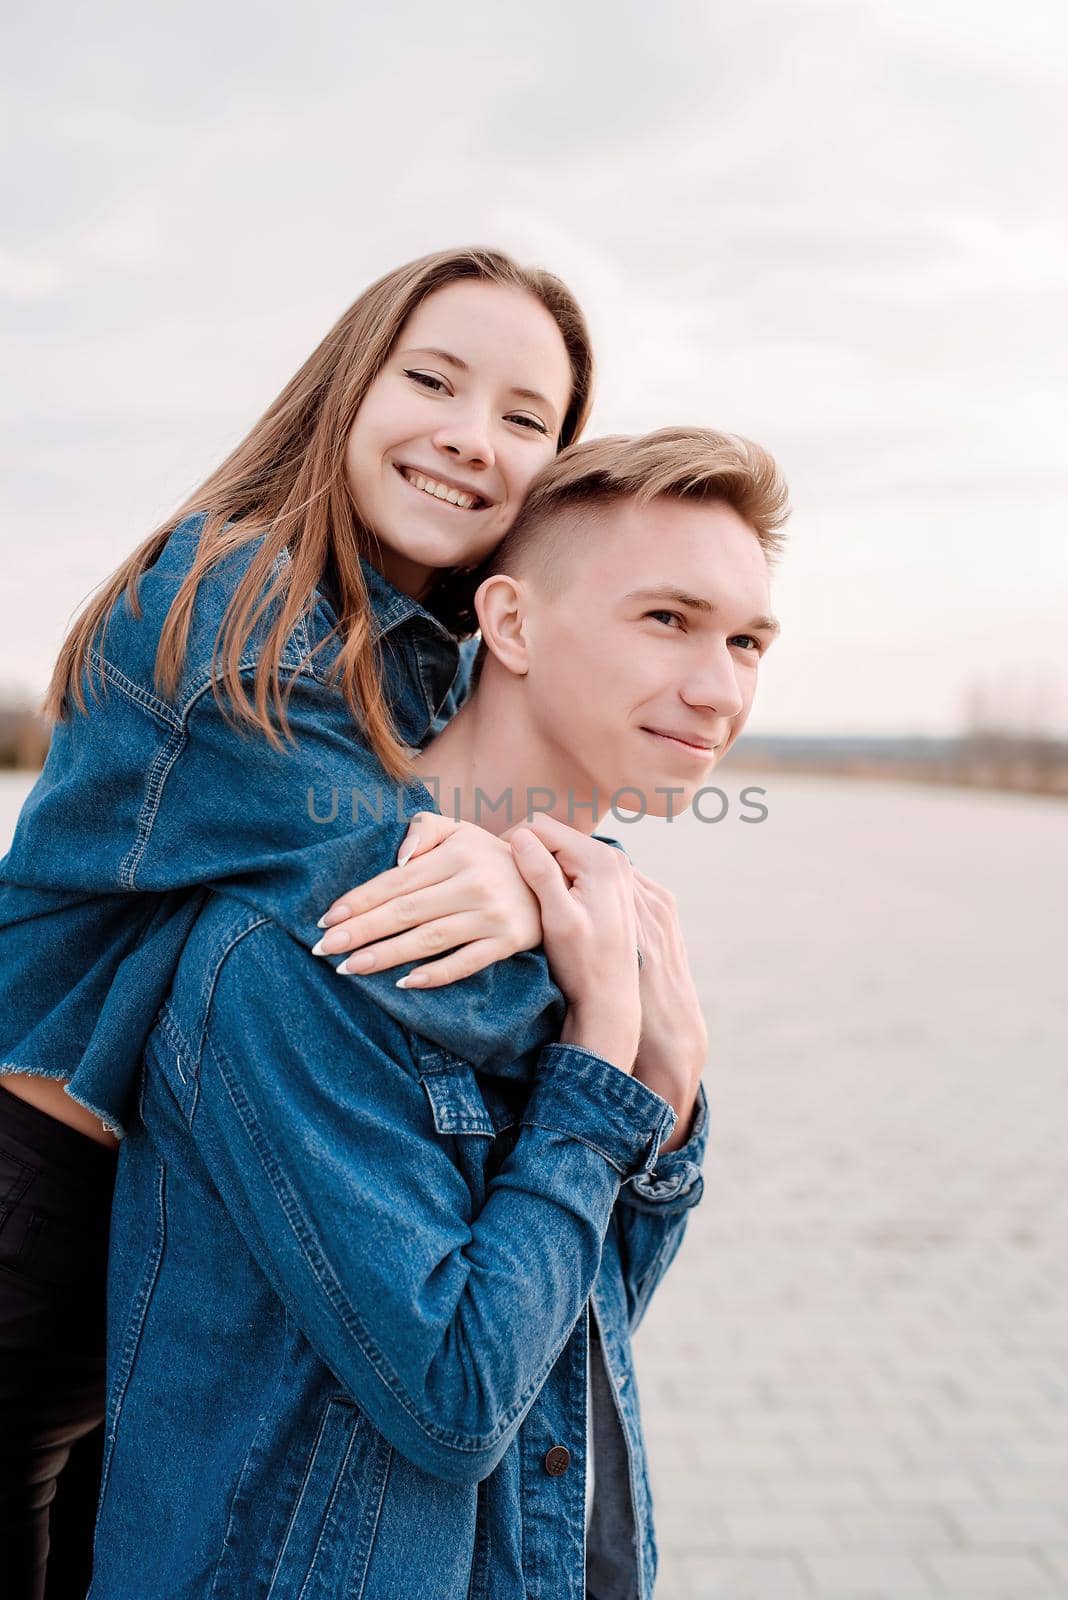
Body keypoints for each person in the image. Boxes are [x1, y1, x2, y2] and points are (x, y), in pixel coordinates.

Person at [87, 427, 788, 1599]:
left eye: (749, 641)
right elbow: (460, 1395)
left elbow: (572, 1329)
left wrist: (663, 1100)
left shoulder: (579, 925)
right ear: (508, 626)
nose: (720, 689)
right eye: (666, 619)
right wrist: (604, 1057)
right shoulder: (313, 944)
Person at [0, 244, 596, 1600]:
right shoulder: (232, 600)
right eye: (433, 381)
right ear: (346, 388)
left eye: (523, 418)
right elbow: (404, 956)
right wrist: (579, 946)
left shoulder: (420, 650)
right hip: (30, 1206)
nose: (469, 437)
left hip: (175, 1231)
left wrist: (555, 883)